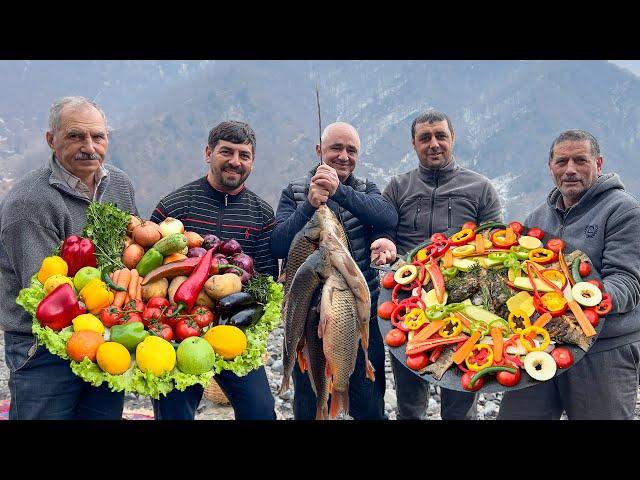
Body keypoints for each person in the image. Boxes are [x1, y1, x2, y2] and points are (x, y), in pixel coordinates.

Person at [0, 96, 138, 420]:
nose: (89, 146)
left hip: (102, 334)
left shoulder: (118, 183)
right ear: (51, 140)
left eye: (98, 136)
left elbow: (132, 250)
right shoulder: (30, 203)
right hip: (42, 351)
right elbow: (45, 297)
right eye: (75, 136)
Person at [497, 129, 640, 420]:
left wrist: (571, 299)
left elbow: (627, 285)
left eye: (580, 160)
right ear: (551, 168)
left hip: (604, 349)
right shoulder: (537, 218)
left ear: (598, 164)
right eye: (561, 162)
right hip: (541, 345)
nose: (570, 170)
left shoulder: (623, 210)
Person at [373, 109, 503, 420]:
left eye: (440, 136)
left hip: (464, 306)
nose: (434, 144)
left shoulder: (480, 188)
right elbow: (385, 232)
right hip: (406, 305)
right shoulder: (397, 187)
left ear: (452, 138)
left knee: (460, 402)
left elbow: (497, 245)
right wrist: (385, 245)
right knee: (409, 404)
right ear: (413, 144)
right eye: (425, 138)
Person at [150, 120, 278, 420]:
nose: (235, 162)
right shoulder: (175, 205)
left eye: (244, 155)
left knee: (260, 411)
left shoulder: (261, 213)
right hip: (180, 332)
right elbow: (149, 268)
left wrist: (250, 318)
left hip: (235, 332)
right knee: (173, 415)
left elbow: (266, 277)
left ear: (252, 162)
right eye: (227, 152)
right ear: (209, 153)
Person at [271, 121, 398, 420]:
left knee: (368, 394)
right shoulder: (294, 192)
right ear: (319, 150)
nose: (343, 156)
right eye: (335, 148)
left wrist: (339, 192)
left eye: (351, 150)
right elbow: (277, 244)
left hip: (358, 308)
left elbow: (387, 217)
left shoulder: (365, 190)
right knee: (311, 394)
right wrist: (308, 206)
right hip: (308, 310)